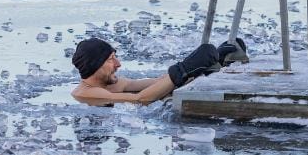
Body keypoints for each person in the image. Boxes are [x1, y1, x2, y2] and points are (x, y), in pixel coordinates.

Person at [70, 36, 248, 107]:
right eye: (111, 59)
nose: (118, 64)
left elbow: (156, 83)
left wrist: (195, 70)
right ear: (94, 65)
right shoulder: (90, 93)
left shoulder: (115, 83)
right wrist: (181, 70)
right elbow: (141, 98)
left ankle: (215, 65)